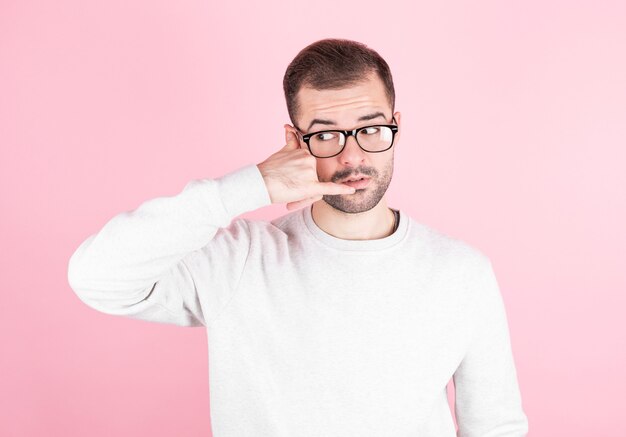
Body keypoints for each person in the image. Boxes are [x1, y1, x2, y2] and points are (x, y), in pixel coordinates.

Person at [67, 38, 529, 436]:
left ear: (396, 128)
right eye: (327, 135)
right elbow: (97, 277)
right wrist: (251, 185)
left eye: (370, 129)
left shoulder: (461, 272)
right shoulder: (238, 261)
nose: (353, 157)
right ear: (295, 141)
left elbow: (495, 426)